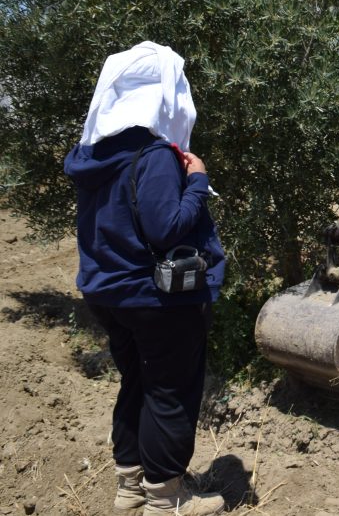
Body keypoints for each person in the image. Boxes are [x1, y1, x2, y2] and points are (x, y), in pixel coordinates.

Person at [64, 42, 226, 515]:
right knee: (170, 391)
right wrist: (197, 181)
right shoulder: (151, 154)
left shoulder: (91, 154)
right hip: (155, 296)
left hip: (108, 292)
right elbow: (166, 227)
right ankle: (165, 498)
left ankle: (129, 487)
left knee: (135, 382)